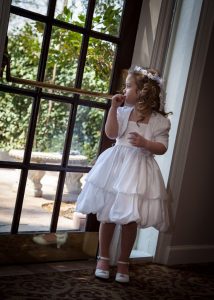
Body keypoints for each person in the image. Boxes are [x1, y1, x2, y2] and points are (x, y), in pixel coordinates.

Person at [76, 66, 171, 283]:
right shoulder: (122, 112)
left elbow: (162, 147)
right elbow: (111, 133)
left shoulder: (159, 121)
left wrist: (146, 143)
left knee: (130, 220)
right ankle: (103, 258)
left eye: (128, 86)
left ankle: (123, 263)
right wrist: (112, 108)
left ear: (143, 92)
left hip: (138, 172)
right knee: (108, 215)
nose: (124, 90)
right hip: (116, 168)